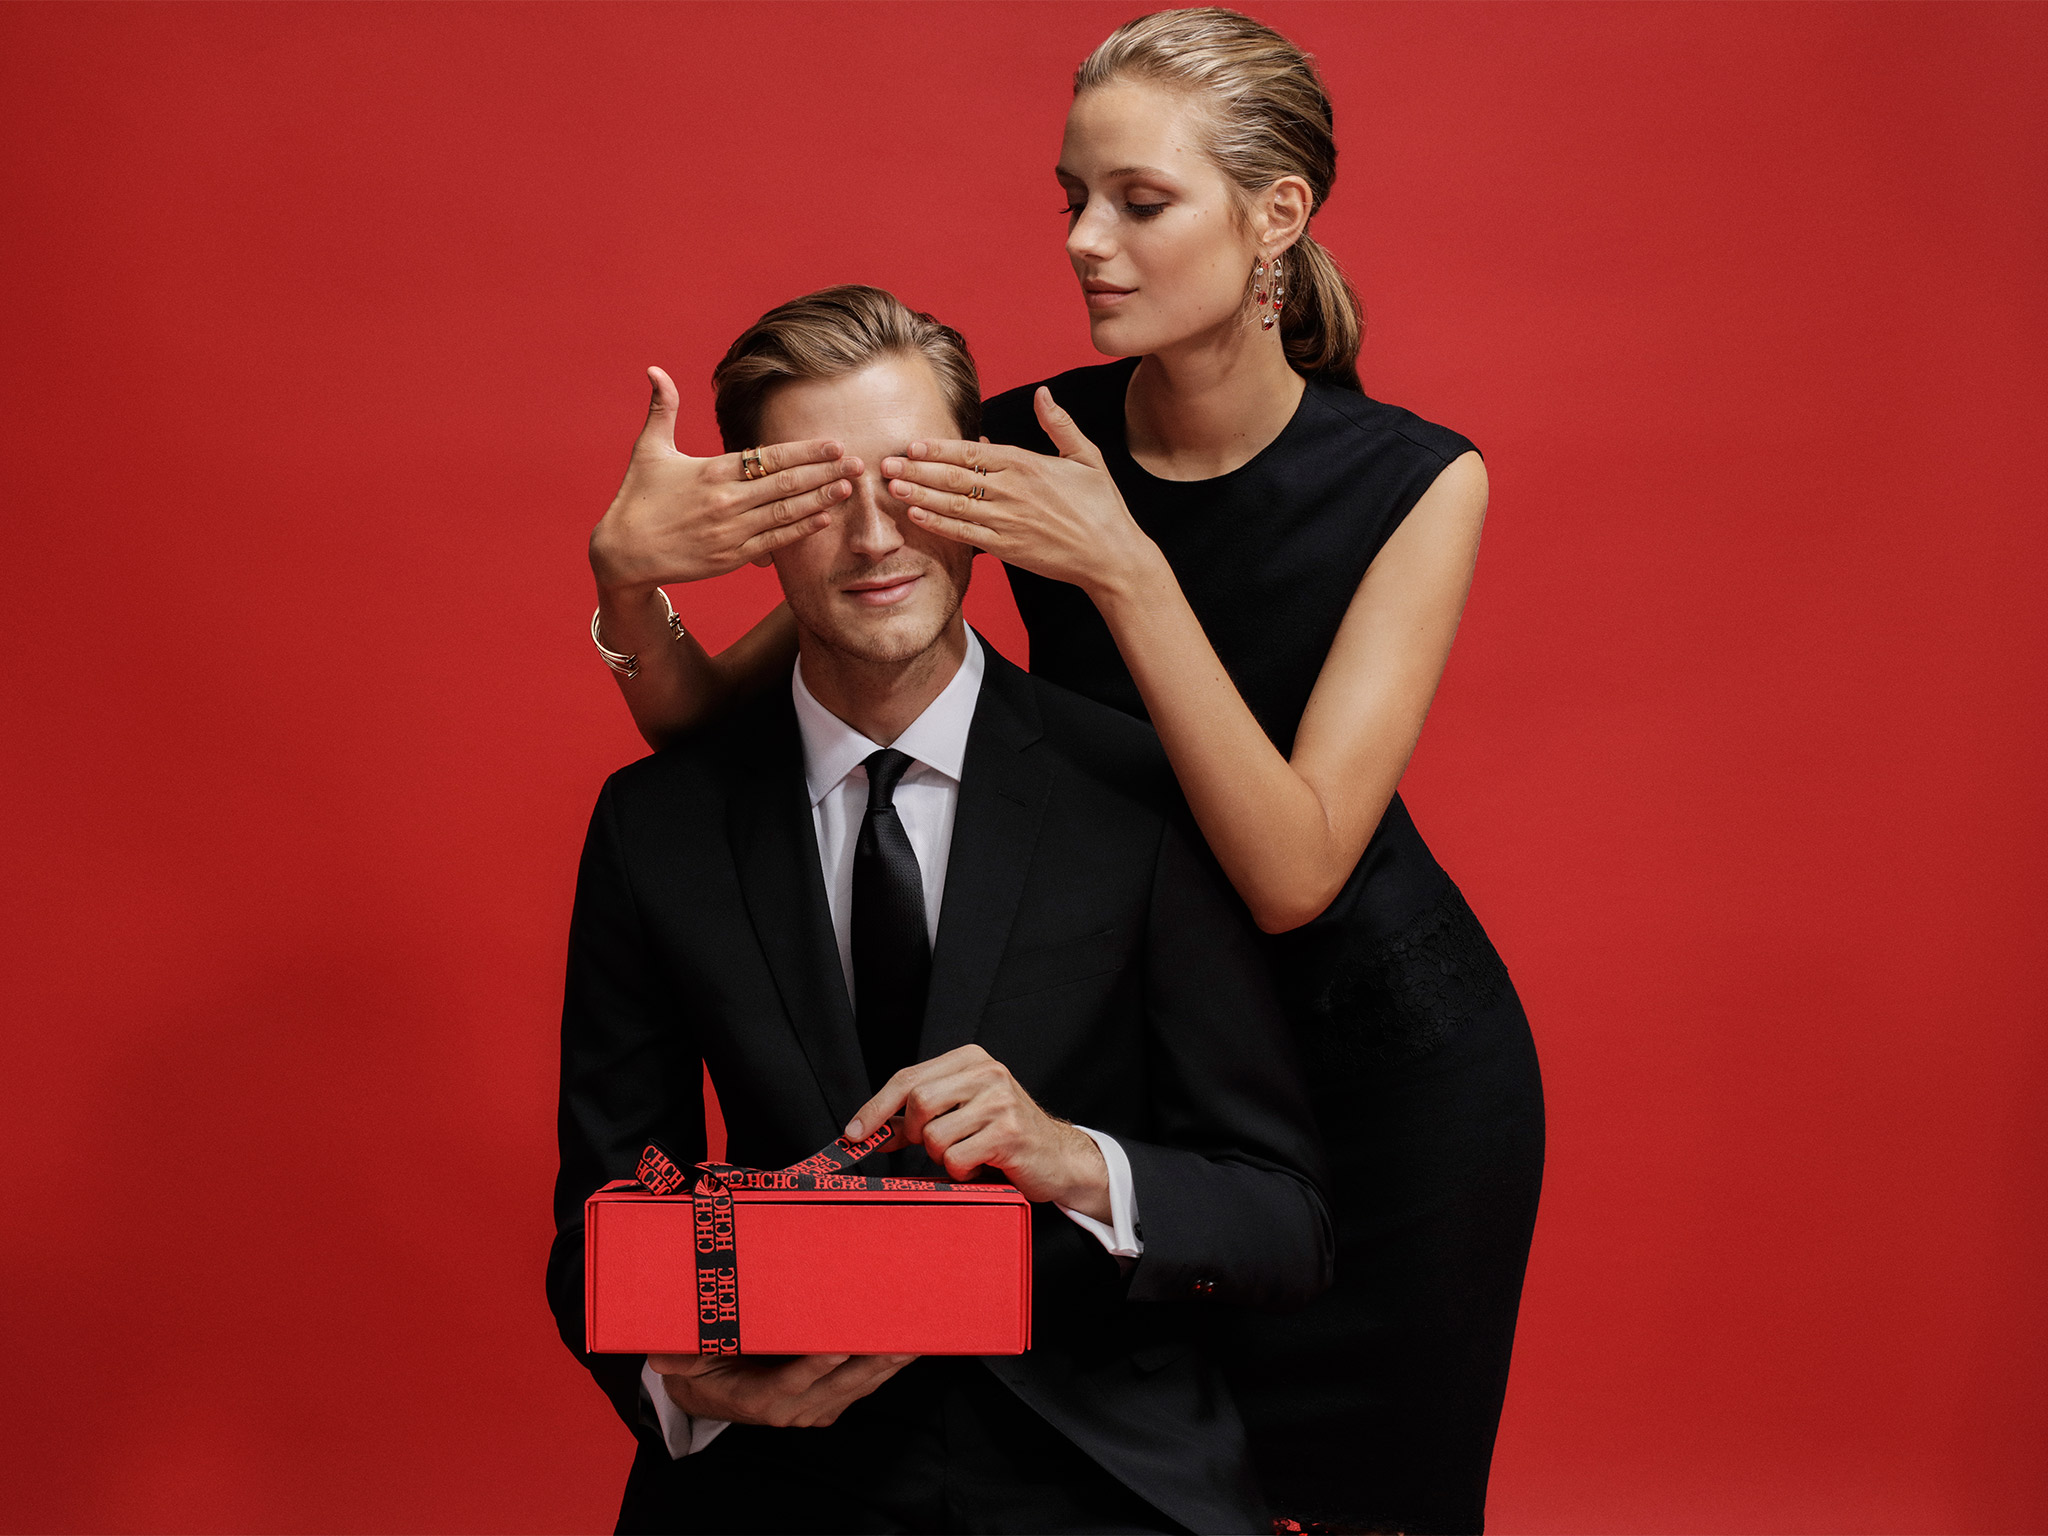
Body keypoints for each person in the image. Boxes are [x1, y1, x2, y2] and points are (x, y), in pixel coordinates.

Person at [583, 12, 1544, 1529]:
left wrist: (1126, 569)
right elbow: (719, 745)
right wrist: (629, 581)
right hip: (1139, 1030)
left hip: (1375, 1056)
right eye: (1072, 199)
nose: (1086, 241)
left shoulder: (1417, 479)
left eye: (1138, 201)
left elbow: (1295, 876)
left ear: (1276, 216)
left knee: (1363, 1501)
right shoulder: (1030, 437)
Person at [547, 285, 1334, 1535]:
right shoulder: (655, 829)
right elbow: (599, 1220)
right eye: (819, 495)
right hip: (778, 1480)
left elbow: (1280, 1220)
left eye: (910, 480)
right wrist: (681, 1385)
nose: (874, 539)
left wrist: (1071, 1157)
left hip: (1102, 1476)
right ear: (750, 527)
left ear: (978, 490)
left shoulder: (1141, 798)